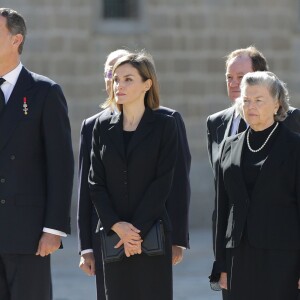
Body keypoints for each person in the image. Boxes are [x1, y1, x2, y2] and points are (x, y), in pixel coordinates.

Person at [78, 49, 191, 298]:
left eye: (128, 79)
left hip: (151, 236)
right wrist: (117, 226)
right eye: (116, 79)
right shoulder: (100, 127)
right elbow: (94, 183)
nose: (119, 85)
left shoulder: (165, 125)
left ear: (147, 84)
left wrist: (135, 232)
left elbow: (163, 183)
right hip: (113, 237)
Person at [206, 46, 300, 299]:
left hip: (283, 259)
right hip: (238, 256)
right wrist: (221, 264)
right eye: (246, 100)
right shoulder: (230, 145)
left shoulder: (294, 145)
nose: (251, 106)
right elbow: (223, 208)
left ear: (277, 103)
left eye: (259, 100)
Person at [0, 8, 74, 300]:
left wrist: (54, 228)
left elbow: (61, 165)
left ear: (16, 39)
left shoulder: (45, 91)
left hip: (27, 232)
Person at [77, 48, 130, 300]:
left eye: (123, 74)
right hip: (104, 236)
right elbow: (87, 189)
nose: (115, 79)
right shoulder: (91, 126)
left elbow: (173, 186)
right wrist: (86, 247)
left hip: (148, 234)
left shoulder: (164, 121)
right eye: (110, 72)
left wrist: (178, 240)